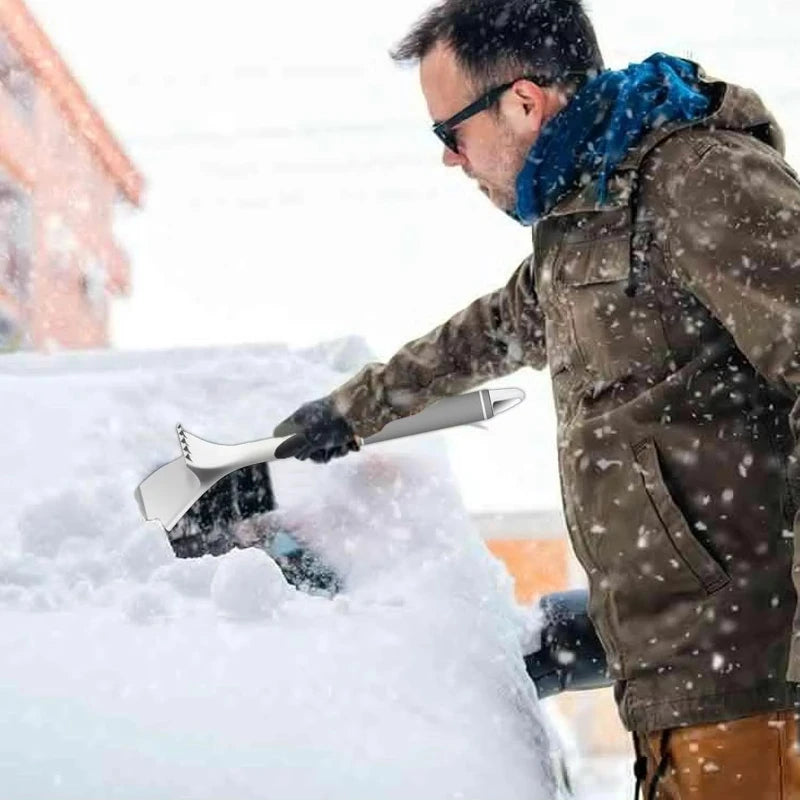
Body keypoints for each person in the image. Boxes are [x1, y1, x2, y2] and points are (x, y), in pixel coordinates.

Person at [271, 1, 800, 796]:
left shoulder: (696, 179)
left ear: (522, 102)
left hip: (754, 688)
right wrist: (340, 418)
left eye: (449, 132)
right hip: (684, 690)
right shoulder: (590, 222)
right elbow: (486, 333)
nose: (451, 160)